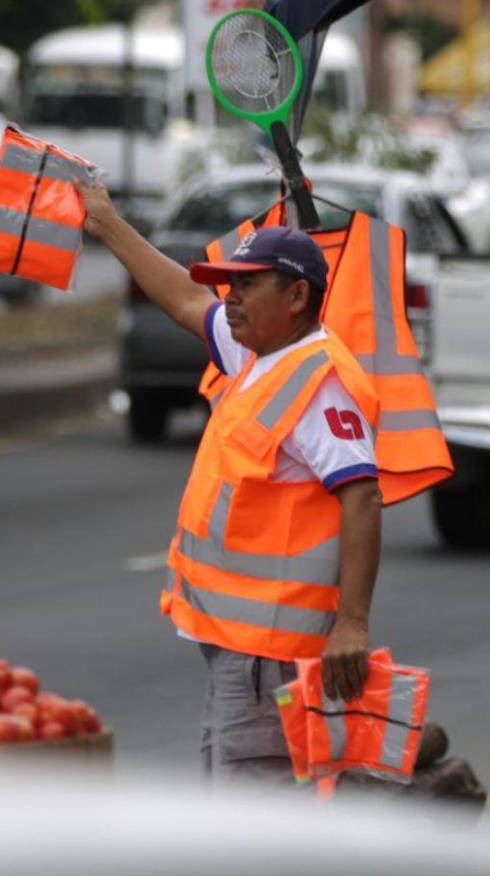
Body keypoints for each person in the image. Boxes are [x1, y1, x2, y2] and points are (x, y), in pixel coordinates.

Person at [77, 178, 383, 783]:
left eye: (247, 285)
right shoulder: (258, 353)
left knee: (255, 811)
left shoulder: (318, 380)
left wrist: (352, 623)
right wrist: (106, 221)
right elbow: (185, 300)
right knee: (234, 796)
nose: (231, 298)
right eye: (231, 285)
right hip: (239, 645)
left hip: (271, 652)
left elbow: (363, 497)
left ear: (297, 295)